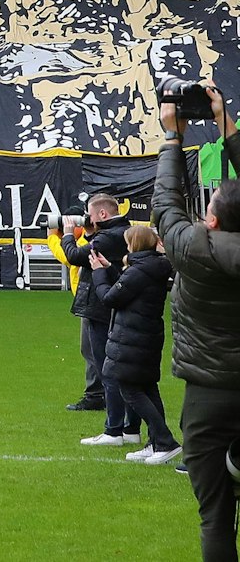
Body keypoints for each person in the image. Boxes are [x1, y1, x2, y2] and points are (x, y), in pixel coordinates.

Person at [155, 86, 240, 561]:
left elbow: (166, 203)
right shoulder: (198, 242)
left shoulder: (193, 248)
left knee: (215, 518)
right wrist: (226, 125)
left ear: (212, 222)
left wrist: (173, 138)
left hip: (208, 396)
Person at [89, 224, 182, 465]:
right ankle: (155, 442)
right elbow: (128, 289)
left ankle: (165, 441)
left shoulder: (140, 270)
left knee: (129, 388)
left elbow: (110, 298)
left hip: (133, 336)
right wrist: (110, 270)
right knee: (147, 387)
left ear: (135, 244)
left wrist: (98, 273)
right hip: (146, 334)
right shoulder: (152, 267)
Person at [62, 193, 133, 414]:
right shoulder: (118, 232)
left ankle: (109, 405)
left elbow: (75, 256)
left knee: (99, 354)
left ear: (102, 213)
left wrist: (67, 234)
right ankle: (99, 396)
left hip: (101, 301)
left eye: (90, 215)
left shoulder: (109, 237)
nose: (88, 219)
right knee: (94, 352)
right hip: (104, 299)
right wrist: (91, 234)